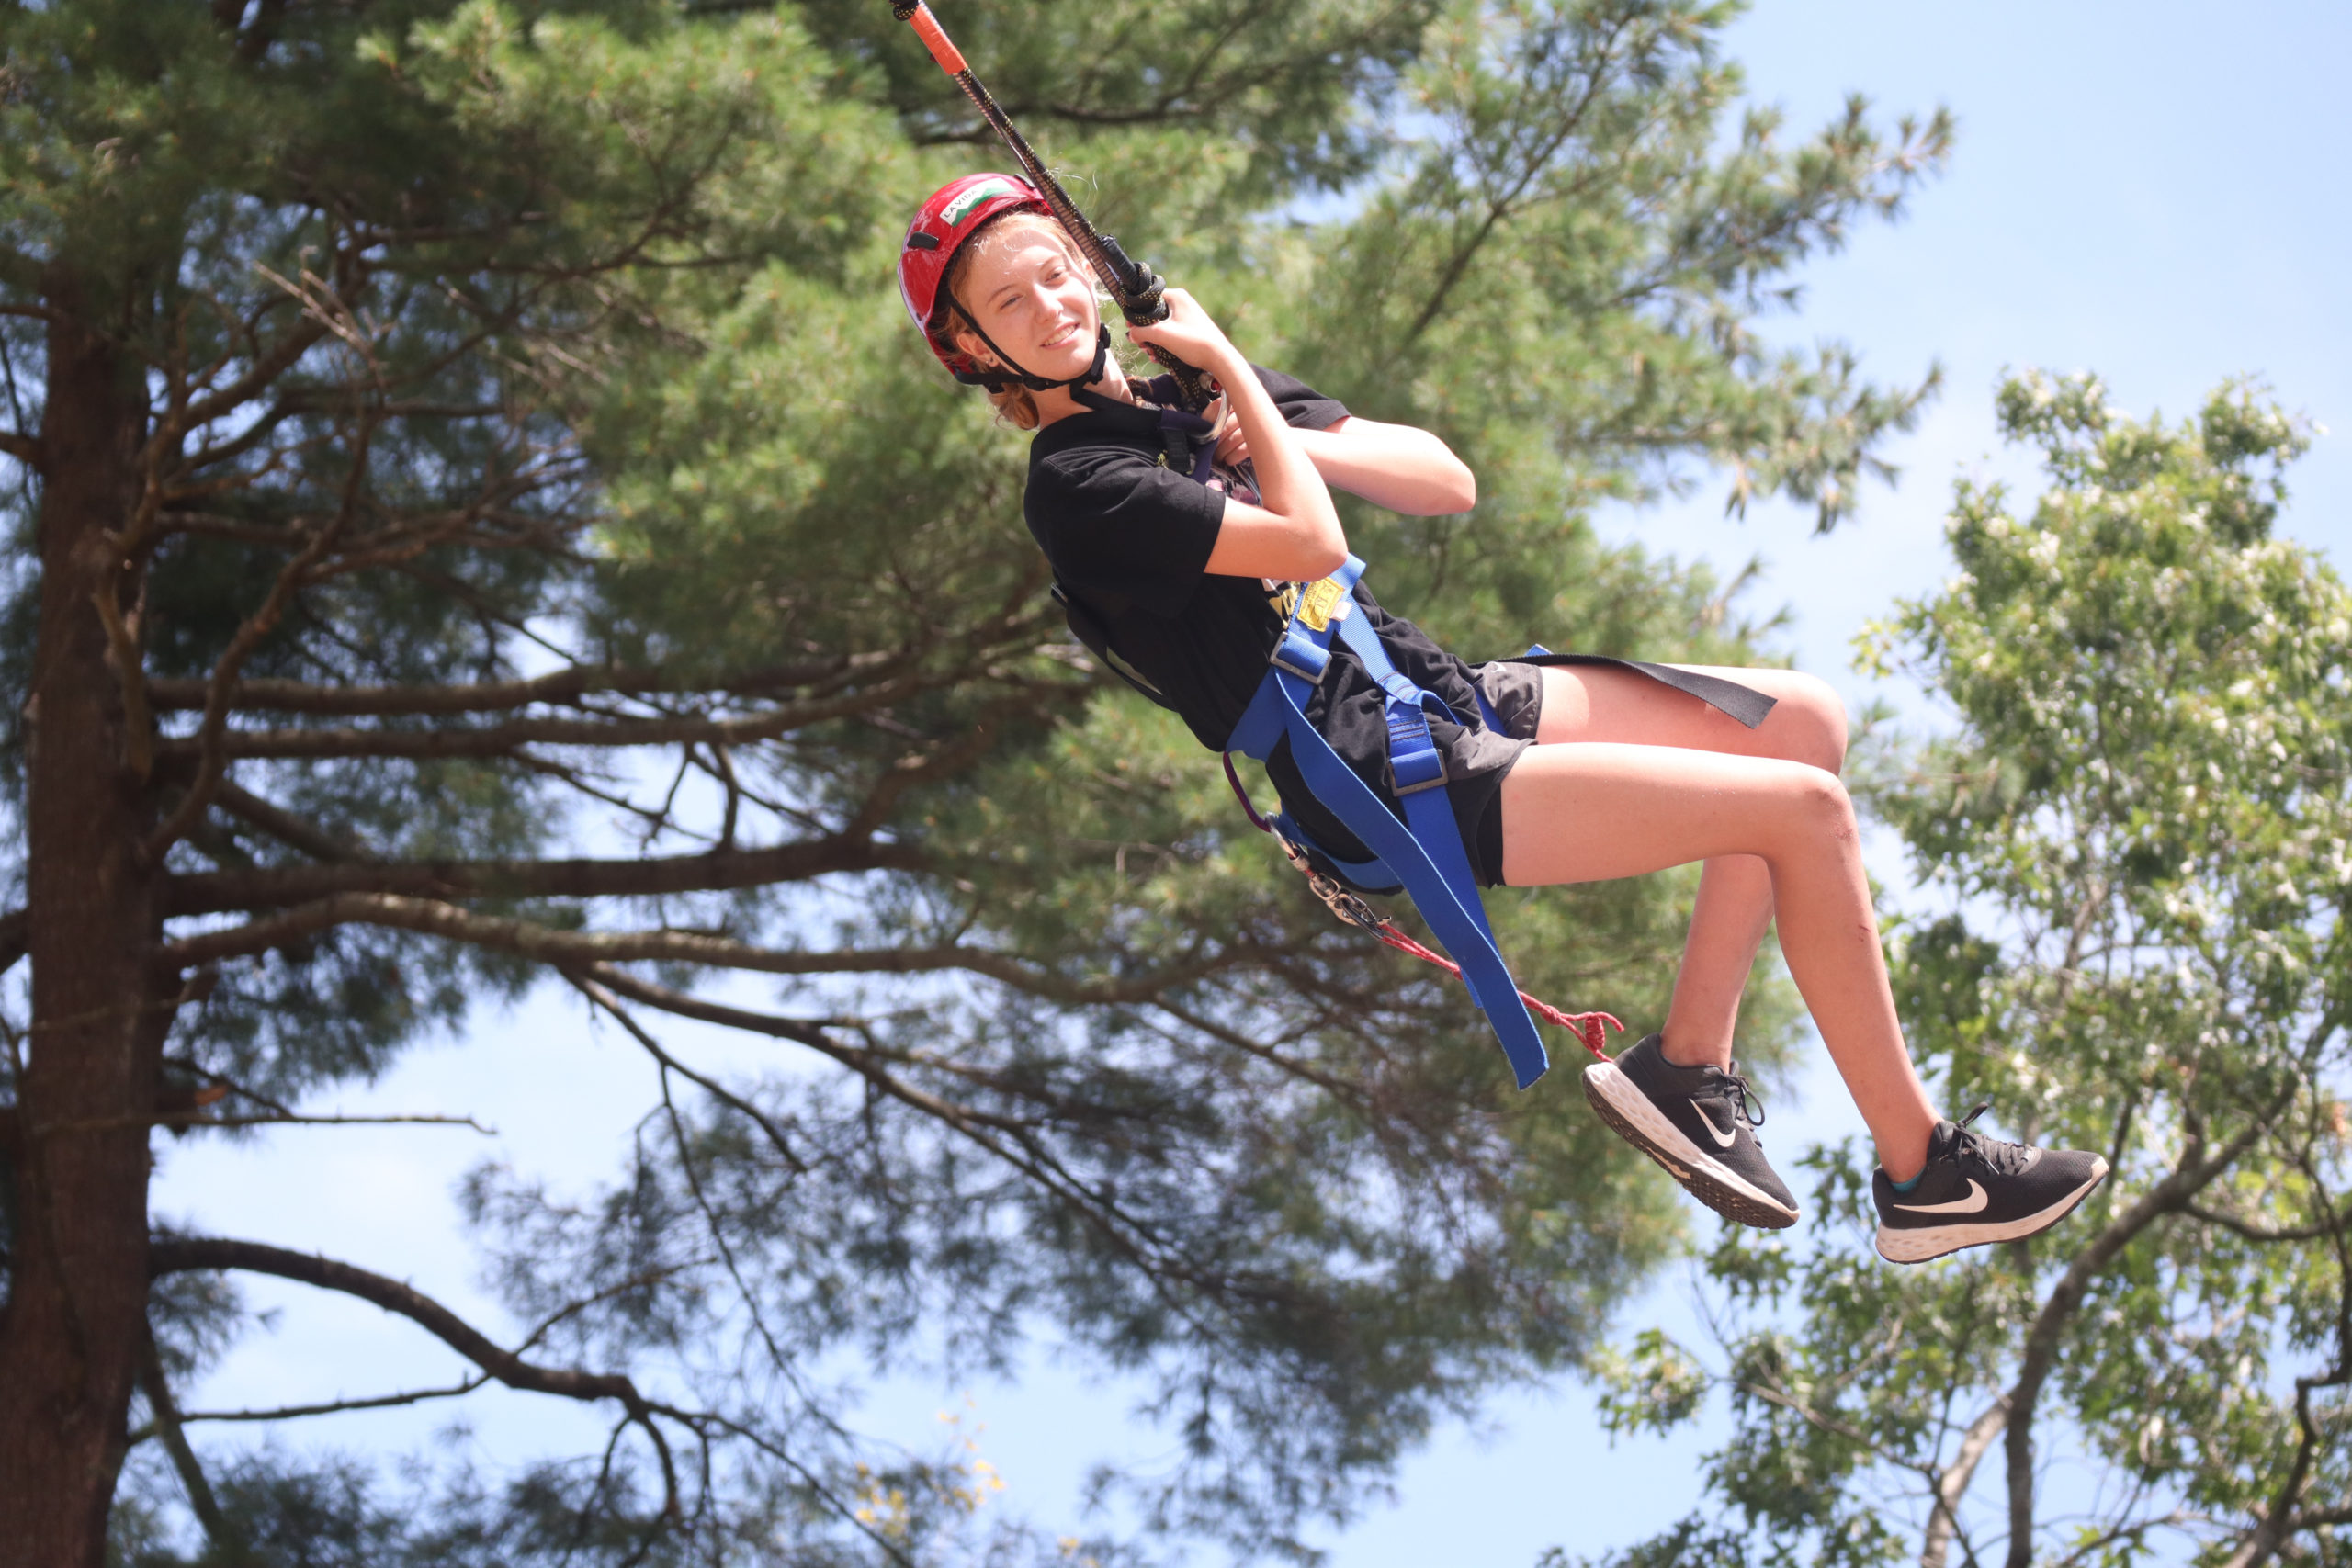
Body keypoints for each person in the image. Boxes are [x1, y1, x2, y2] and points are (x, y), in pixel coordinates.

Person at [899, 173, 2107, 1264]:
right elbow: (1315, 542)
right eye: (1011, 304)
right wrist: (1236, 393)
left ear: (1090, 268)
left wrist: (1237, 392)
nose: (1051, 301)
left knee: (1801, 723)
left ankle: (1690, 1071)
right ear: (975, 353)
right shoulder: (1081, 489)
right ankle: (1924, 1171)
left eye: (1057, 268)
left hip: (1433, 690)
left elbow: (1440, 479)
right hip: (1373, 769)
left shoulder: (1192, 400)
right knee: (1806, 816)